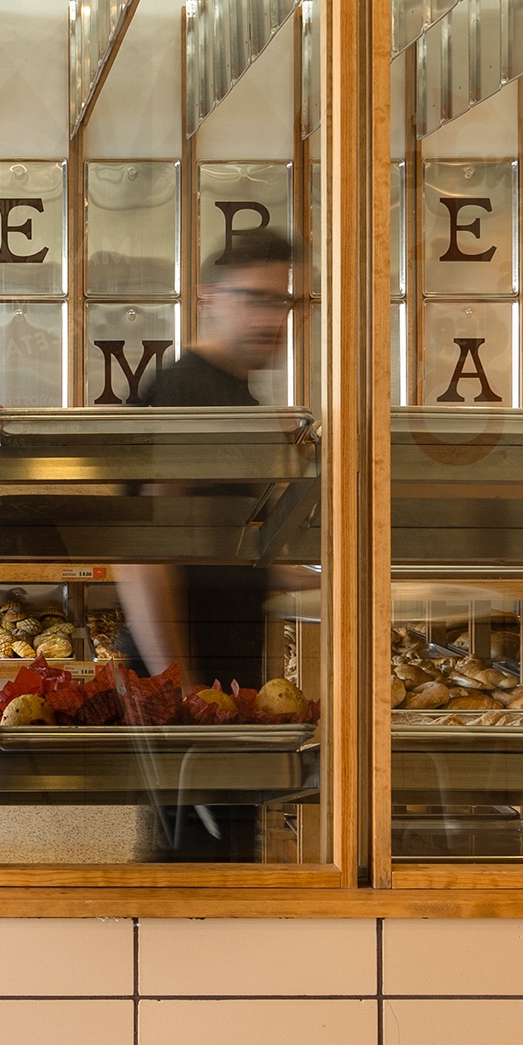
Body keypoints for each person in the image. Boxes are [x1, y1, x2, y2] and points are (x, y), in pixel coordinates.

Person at [115, 228, 310, 861]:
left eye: (283, 302)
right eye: (255, 299)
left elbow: (217, 543)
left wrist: (308, 578)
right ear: (209, 297)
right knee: (197, 874)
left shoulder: (236, 395)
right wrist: (185, 695)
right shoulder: (187, 392)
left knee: (220, 866)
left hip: (220, 689)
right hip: (193, 691)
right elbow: (142, 555)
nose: (270, 319)